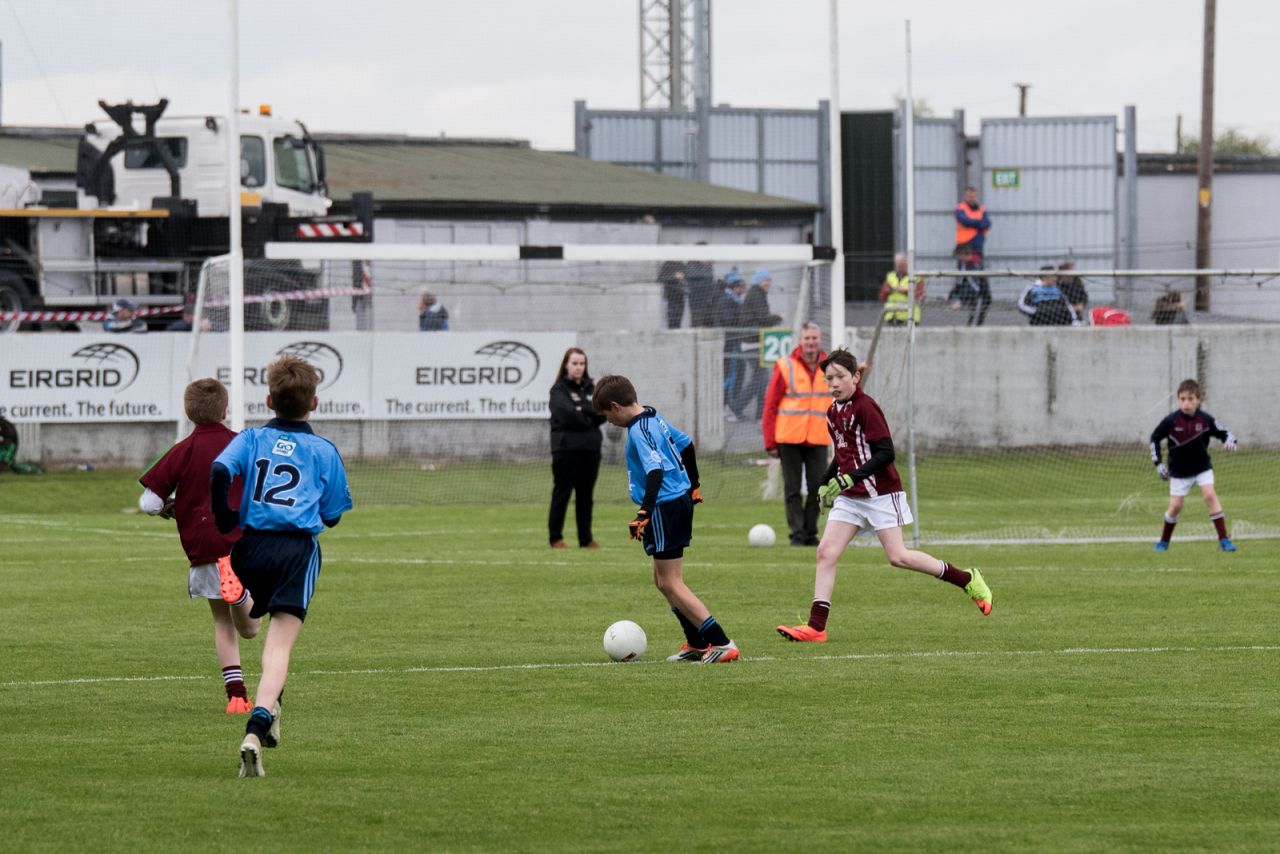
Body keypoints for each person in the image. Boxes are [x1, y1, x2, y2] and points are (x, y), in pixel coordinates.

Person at [776, 348, 993, 643]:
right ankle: (817, 627)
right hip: (852, 497)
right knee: (826, 552)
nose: (834, 384)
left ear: (855, 377)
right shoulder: (832, 411)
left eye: (840, 377)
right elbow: (844, 453)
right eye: (829, 379)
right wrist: (826, 481)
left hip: (880, 494)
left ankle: (967, 579)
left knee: (898, 557)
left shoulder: (866, 407)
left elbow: (886, 452)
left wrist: (850, 477)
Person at [211, 355, 353, 777]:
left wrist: (224, 518)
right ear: (315, 403)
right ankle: (257, 726)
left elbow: (220, 468)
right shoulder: (322, 450)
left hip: (249, 545)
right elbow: (332, 515)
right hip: (296, 551)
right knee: (278, 647)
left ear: (268, 398)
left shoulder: (252, 439)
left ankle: (239, 595)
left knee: (248, 627)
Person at [592, 373, 739, 664]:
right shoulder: (652, 416)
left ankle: (722, 642)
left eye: (607, 415)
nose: (609, 421)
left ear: (616, 406)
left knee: (671, 582)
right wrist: (694, 483)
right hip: (675, 502)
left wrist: (644, 512)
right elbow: (686, 444)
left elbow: (655, 471)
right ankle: (697, 642)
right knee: (661, 580)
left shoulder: (638, 430)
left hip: (665, 506)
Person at [138, 378, 261, 713]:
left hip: (204, 546)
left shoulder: (184, 449)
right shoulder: (243, 444)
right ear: (225, 410)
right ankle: (243, 595)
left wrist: (171, 507)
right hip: (243, 543)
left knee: (222, 622)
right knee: (251, 628)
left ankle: (236, 695)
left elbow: (148, 502)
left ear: (188, 412)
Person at [761, 322, 830, 546]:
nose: (811, 342)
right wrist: (770, 442)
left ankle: (811, 532)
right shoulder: (785, 366)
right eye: (807, 338)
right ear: (800, 341)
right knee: (792, 489)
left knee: (817, 487)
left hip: (818, 436)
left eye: (814, 338)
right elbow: (770, 405)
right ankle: (797, 535)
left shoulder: (830, 366)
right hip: (788, 437)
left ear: (820, 340)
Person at [1149, 378, 1238, 553]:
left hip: (1202, 468)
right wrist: (1158, 463)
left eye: (1190, 399)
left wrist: (1230, 441)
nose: (1186, 403)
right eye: (1182, 399)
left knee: (1209, 495)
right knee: (1175, 506)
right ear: (1178, 400)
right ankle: (1164, 541)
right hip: (1179, 471)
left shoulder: (1206, 420)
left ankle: (1224, 540)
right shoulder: (1171, 421)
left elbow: (1226, 433)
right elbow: (1154, 438)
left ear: (1198, 400)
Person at [548, 347, 606, 549]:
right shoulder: (558, 390)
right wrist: (586, 414)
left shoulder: (591, 387)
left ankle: (586, 539)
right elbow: (567, 415)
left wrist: (583, 410)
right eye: (574, 363)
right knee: (562, 492)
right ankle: (556, 538)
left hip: (590, 449)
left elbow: (602, 413)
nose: (579, 367)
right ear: (566, 365)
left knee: (586, 495)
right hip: (566, 449)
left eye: (582, 363)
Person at [736, 269, 784, 420]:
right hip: (752, 343)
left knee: (760, 379)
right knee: (760, 379)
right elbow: (763, 318)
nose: (768, 283)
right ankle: (738, 407)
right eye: (765, 280)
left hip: (754, 342)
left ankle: (759, 413)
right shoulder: (757, 295)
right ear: (758, 281)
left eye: (769, 280)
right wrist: (777, 318)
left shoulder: (757, 294)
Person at [714, 268, 748, 419]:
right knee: (731, 377)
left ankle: (728, 405)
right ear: (735, 287)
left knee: (733, 376)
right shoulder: (728, 301)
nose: (743, 290)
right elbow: (728, 321)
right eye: (740, 287)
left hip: (733, 343)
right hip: (730, 343)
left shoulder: (733, 300)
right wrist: (741, 321)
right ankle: (725, 406)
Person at [947, 243, 991, 326]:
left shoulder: (975, 266)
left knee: (974, 323)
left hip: (980, 298)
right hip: (973, 298)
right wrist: (951, 295)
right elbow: (960, 282)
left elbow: (974, 287)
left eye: (958, 256)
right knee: (971, 321)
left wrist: (961, 301)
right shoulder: (964, 265)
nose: (958, 259)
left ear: (963, 254)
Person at [878, 252, 926, 326]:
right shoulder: (890, 276)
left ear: (907, 264)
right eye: (898, 265)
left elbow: (920, 296)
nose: (899, 268)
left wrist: (906, 291)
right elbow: (881, 296)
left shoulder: (916, 277)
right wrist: (890, 290)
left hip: (909, 317)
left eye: (902, 265)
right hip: (891, 316)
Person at [954, 185, 991, 260]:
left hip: (978, 243)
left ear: (976, 196)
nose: (971, 198)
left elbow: (987, 223)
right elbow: (965, 221)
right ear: (965, 196)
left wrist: (973, 221)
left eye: (973, 196)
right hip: (964, 244)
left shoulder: (981, 209)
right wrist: (979, 223)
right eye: (969, 196)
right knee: (964, 269)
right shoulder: (960, 208)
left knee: (977, 268)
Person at [684, 246, 716, 328]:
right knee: (697, 321)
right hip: (696, 300)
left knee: (707, 322)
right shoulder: (691, 264)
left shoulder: (708, 265)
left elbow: (710, 279)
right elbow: (693, 277)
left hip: (708, 300)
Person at [658, 260, 686, 329]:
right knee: (671, 319)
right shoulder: (667, 264)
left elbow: (687, 275)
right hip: (670, 297)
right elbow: (660, 278)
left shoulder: (681, 264)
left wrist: (683, 277)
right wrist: (674, 276)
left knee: (679, 319)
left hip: (681, 296)